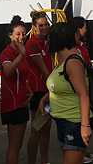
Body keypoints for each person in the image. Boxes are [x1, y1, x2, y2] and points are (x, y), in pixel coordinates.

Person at [37, 22, 92, 164]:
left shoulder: (72, 62)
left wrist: (85, 126)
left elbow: (83, 95)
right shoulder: (63, 59)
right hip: (63, 120)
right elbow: (62, 85)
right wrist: (45, 98)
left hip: (74, 121)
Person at [0, 16, 33, 164]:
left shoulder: (21, 53)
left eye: (24, 34)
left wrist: (29, 90)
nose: (21, 37)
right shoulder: (7, 54)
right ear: (10, 35)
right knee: (14, 146)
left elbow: (22, 76)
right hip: (12, 104)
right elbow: (8, 72)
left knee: (17, 146)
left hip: (21, 102)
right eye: (18, 34)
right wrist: (21, 55)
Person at [25, 11, 53, 164]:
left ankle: (44, 160)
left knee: (47, 127)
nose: (44, 28)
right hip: (38, 91)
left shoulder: (46, 43)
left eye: (46, 24)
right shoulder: (32, 44)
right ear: (34, 27)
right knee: (36, 129)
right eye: (41, 25)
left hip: (47, 90)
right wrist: (55, 86)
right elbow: (43, 69)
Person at [72, 16, 93, 163]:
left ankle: (84, 148)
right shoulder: (70, 46)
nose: (86, 29)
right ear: (78, 28)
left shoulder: (82, 44)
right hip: (78, 85)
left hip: (88, 81)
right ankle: (79, 152)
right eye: (84, 27)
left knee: (89, 117)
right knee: (80, 118)